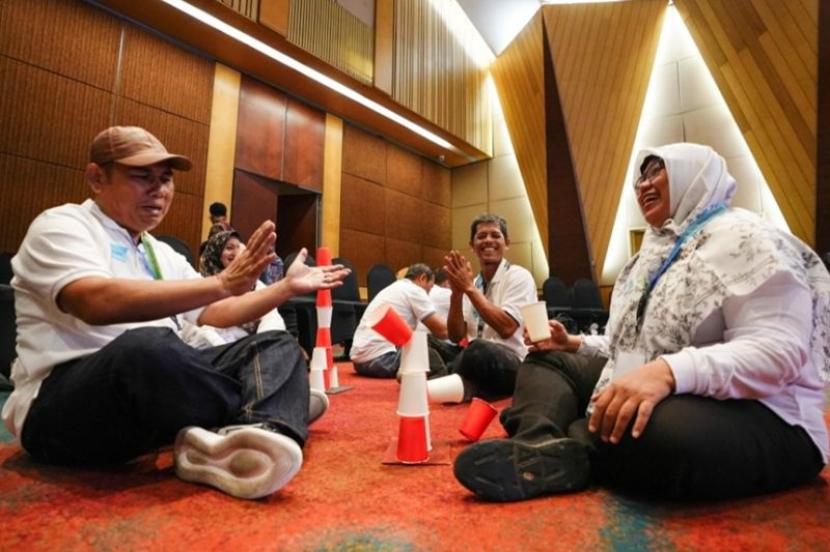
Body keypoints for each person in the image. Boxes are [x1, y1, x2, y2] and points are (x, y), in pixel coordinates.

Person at [454, 143, 830, 502]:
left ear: (692, 174)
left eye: (656, 172)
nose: (643, 185)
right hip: (659, 383)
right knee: (546, 362)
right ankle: (540, 446)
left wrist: (668, 372)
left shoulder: (747, 239)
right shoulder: (651, 255)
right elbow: (632, 345)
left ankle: (576, 442)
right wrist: (572, 343)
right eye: (640, 177)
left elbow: (778, 352)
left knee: (652, 429)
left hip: (766, 415)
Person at [2, 126, 350, 500]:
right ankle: (272, 405)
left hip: (151, 404)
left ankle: (256, 431)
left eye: (165, 179)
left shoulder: (159, 251)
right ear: (97, 178)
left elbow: (215, 312)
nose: (159, 190)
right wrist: (222, 283)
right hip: (61, 407)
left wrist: (285, 288)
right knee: (146, 349)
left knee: (274, 345)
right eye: (142, 176)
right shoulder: (61, 225)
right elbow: (94, 301)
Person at [442, 214, 537, 401]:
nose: (488, 240)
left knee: (479, 349)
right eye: (481, 236)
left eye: (495, 235)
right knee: (428, 342)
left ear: (506, 243)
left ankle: (449, 379)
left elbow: (506, 328)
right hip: (473, 358)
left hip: (510, 362)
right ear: (472, 245)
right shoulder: (473, 282)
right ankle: (459, 382)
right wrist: (456, 294)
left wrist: (468, 289)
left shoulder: (519, 276)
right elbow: (455, 335)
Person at [181, 229, 287, 348]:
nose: (236, 252)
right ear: (215, 253)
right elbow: (194, 327)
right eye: (229, 248)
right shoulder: (200, 283)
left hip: (252, 348)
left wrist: (263, 346)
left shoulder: (254, 284)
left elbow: (271, 319)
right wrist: (225, 350)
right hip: (212, 349)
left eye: (238, 247)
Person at [350, 264, 449, 378]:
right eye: (430, 288)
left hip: (359, 363)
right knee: (425, 345)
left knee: (421, 342)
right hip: (383, 360)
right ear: (422, 278)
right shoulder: (415, 290)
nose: (428, 294)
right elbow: (442, 331)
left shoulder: (393, 288)